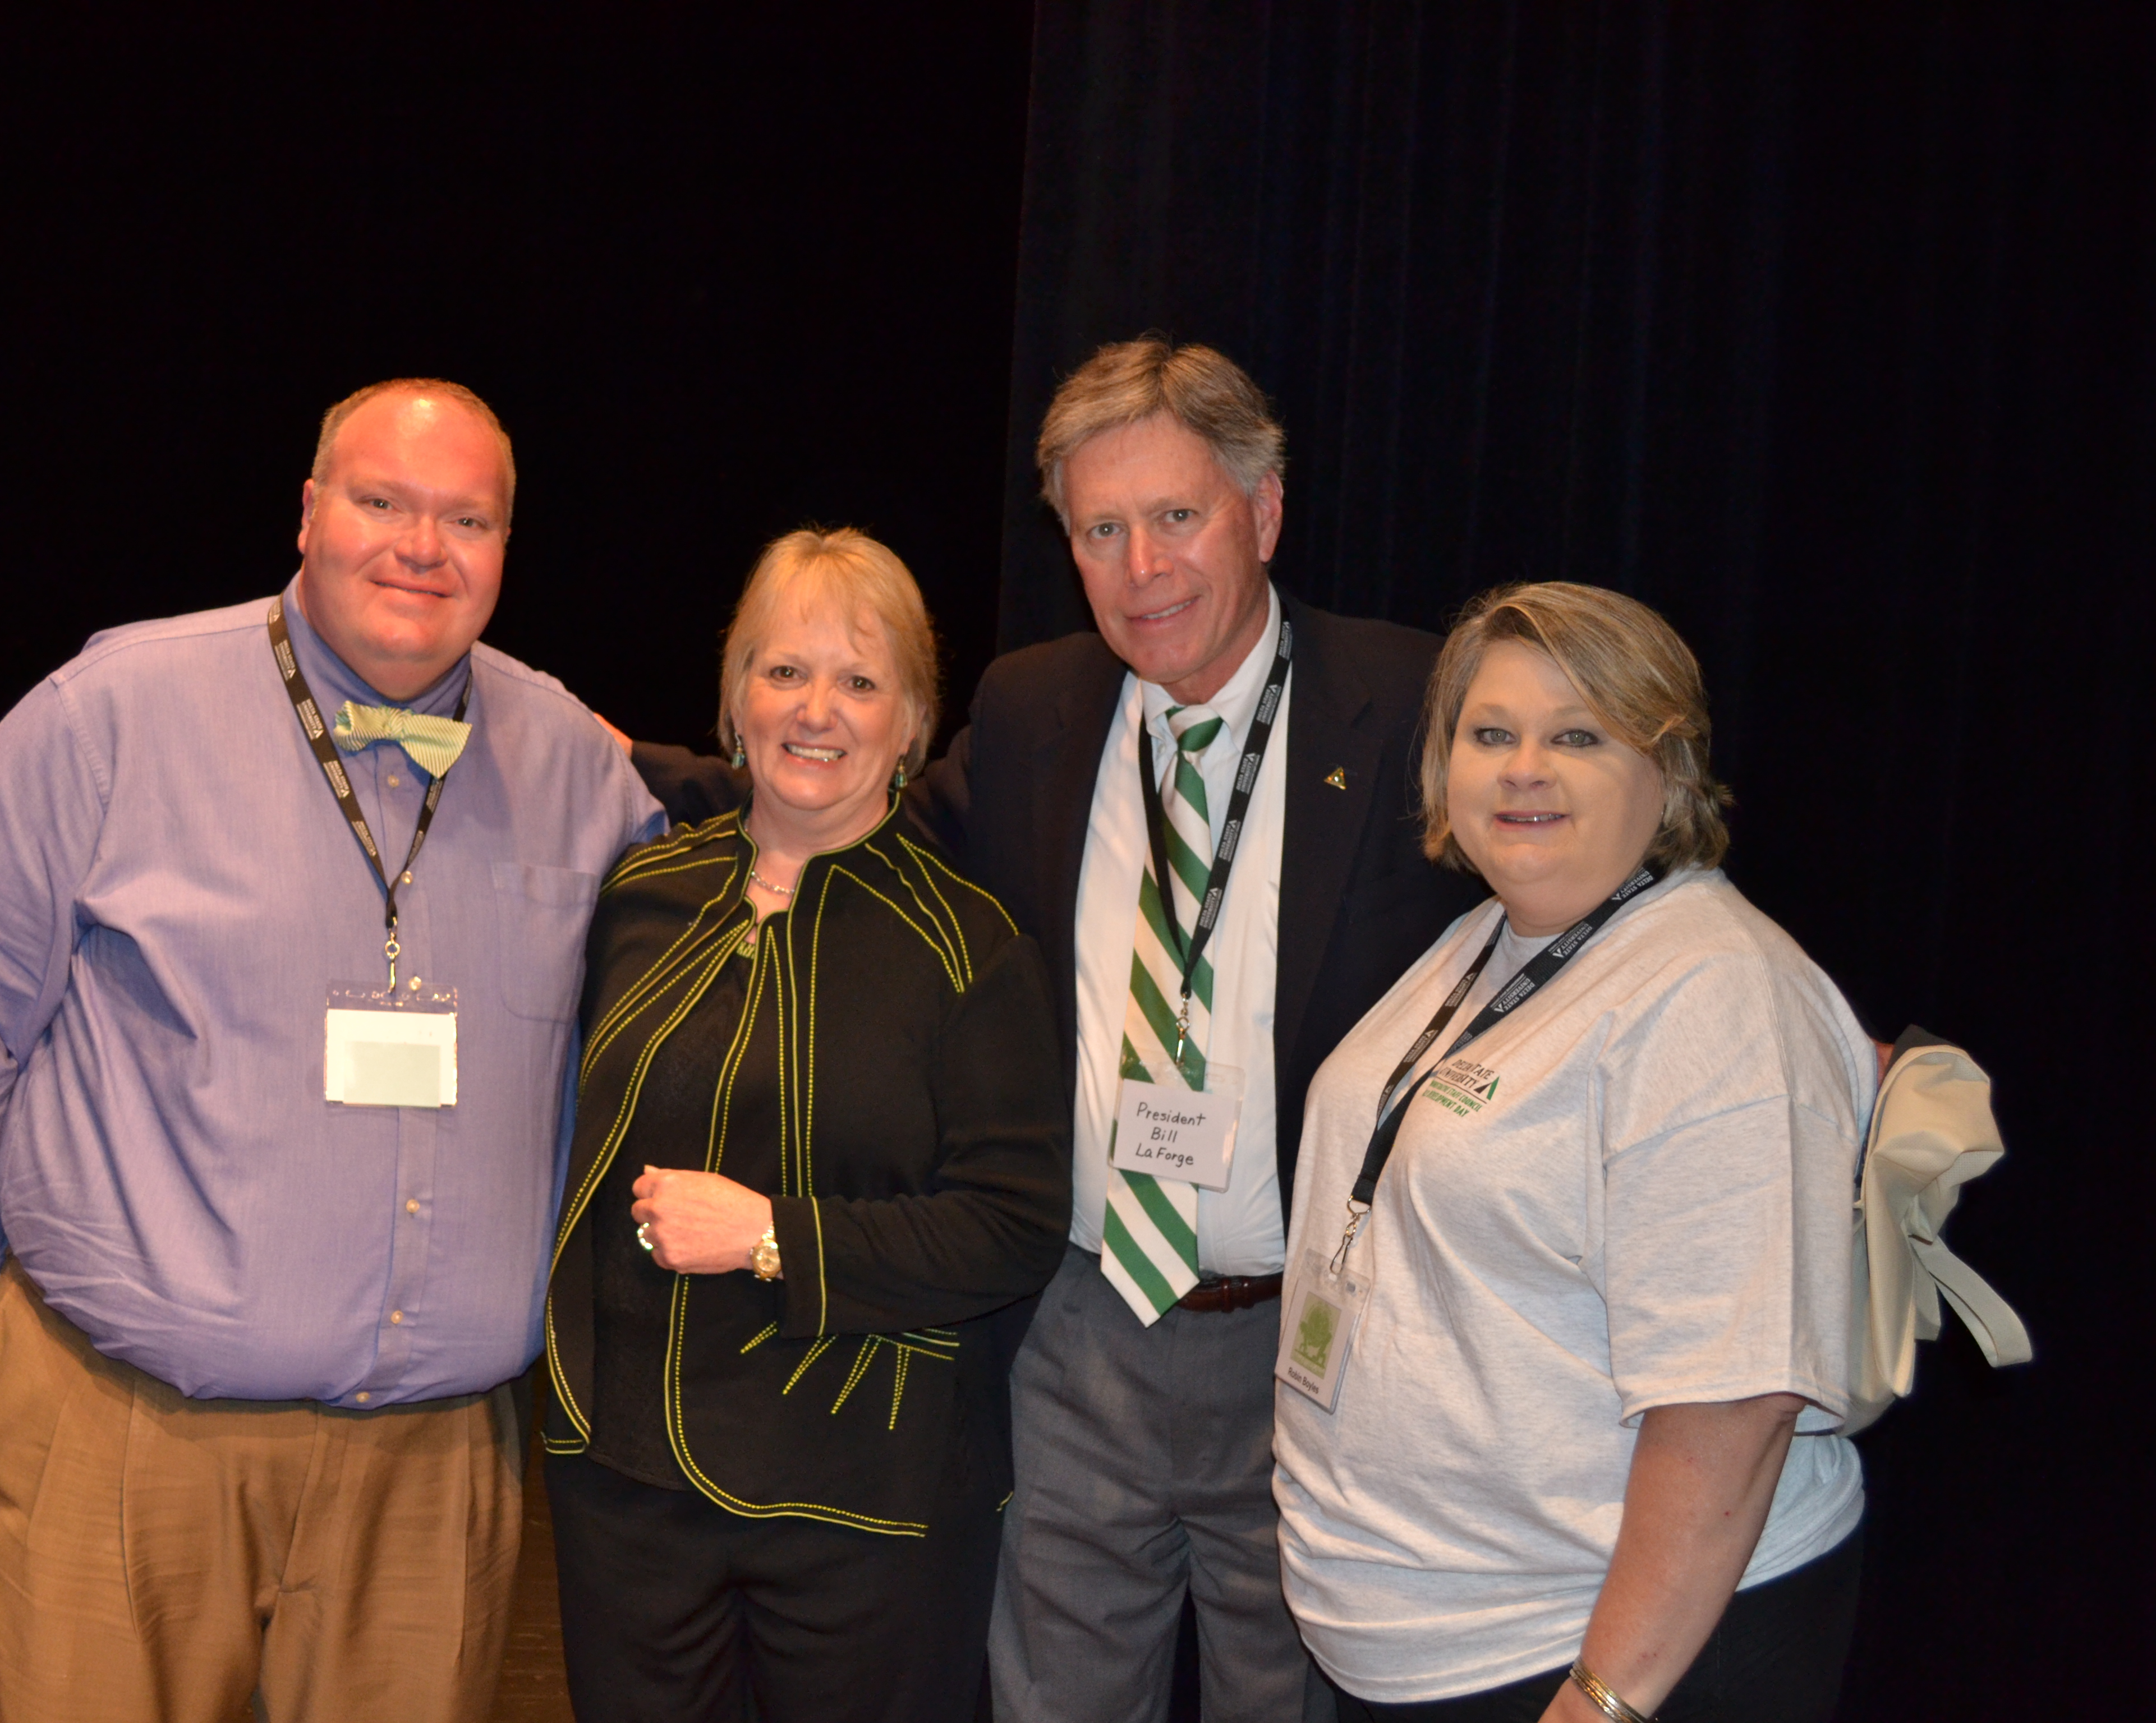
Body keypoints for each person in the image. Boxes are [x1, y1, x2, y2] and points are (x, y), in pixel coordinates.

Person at [627, 340, 1482, 1722]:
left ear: (1263, 514)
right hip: (1080, 1326)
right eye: (1100, 530)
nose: (1140, 567)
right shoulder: (1039, 708)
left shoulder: (1411, 702)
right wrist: (592, 764)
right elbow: (857, 814)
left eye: (1177, 517)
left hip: (1313, 1344)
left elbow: (1562, 881)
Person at [0, 379, 662, 1721]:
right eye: (381, 501)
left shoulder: (575, 763)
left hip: (432, 1463)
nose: (421, 546)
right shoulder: (116, 711)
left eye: (468, 518)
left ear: (508, 548)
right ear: (307, 513)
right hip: (129, 1434)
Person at [1271, 582, 1868, 1723]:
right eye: (1491, 733)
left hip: (1601, 1659)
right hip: (1431, 1646)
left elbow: (1733, 1410)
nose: (1524, 767)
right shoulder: (1487, 937)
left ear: (1669, 769)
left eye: (1577, 736)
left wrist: (1600, 1698)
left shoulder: (1715, 993)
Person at [544, 528, 1071, 1722]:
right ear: (735, 700)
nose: (815, 710)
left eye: (859, 680)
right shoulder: (643, 896)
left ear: (911, 721)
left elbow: (1013, 1229)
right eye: (783, 672)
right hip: (626, 1497)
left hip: (864, 1518)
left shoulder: (968, 945)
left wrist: (774, 1235)